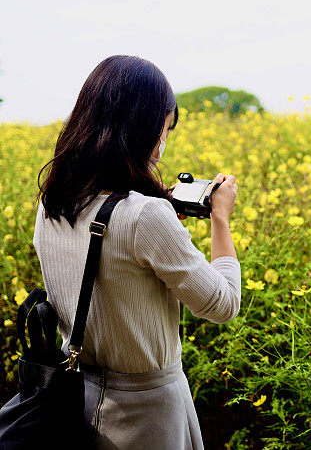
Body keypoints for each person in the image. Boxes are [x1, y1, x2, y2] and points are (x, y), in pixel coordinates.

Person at [32, 55, 241, 449]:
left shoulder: (52, 203)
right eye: (164, 130)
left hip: (73, 400)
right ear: (144, 130)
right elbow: (222, 304)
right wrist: (220, 218)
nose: (163, 142)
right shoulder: (146, 216)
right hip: (146, 415)